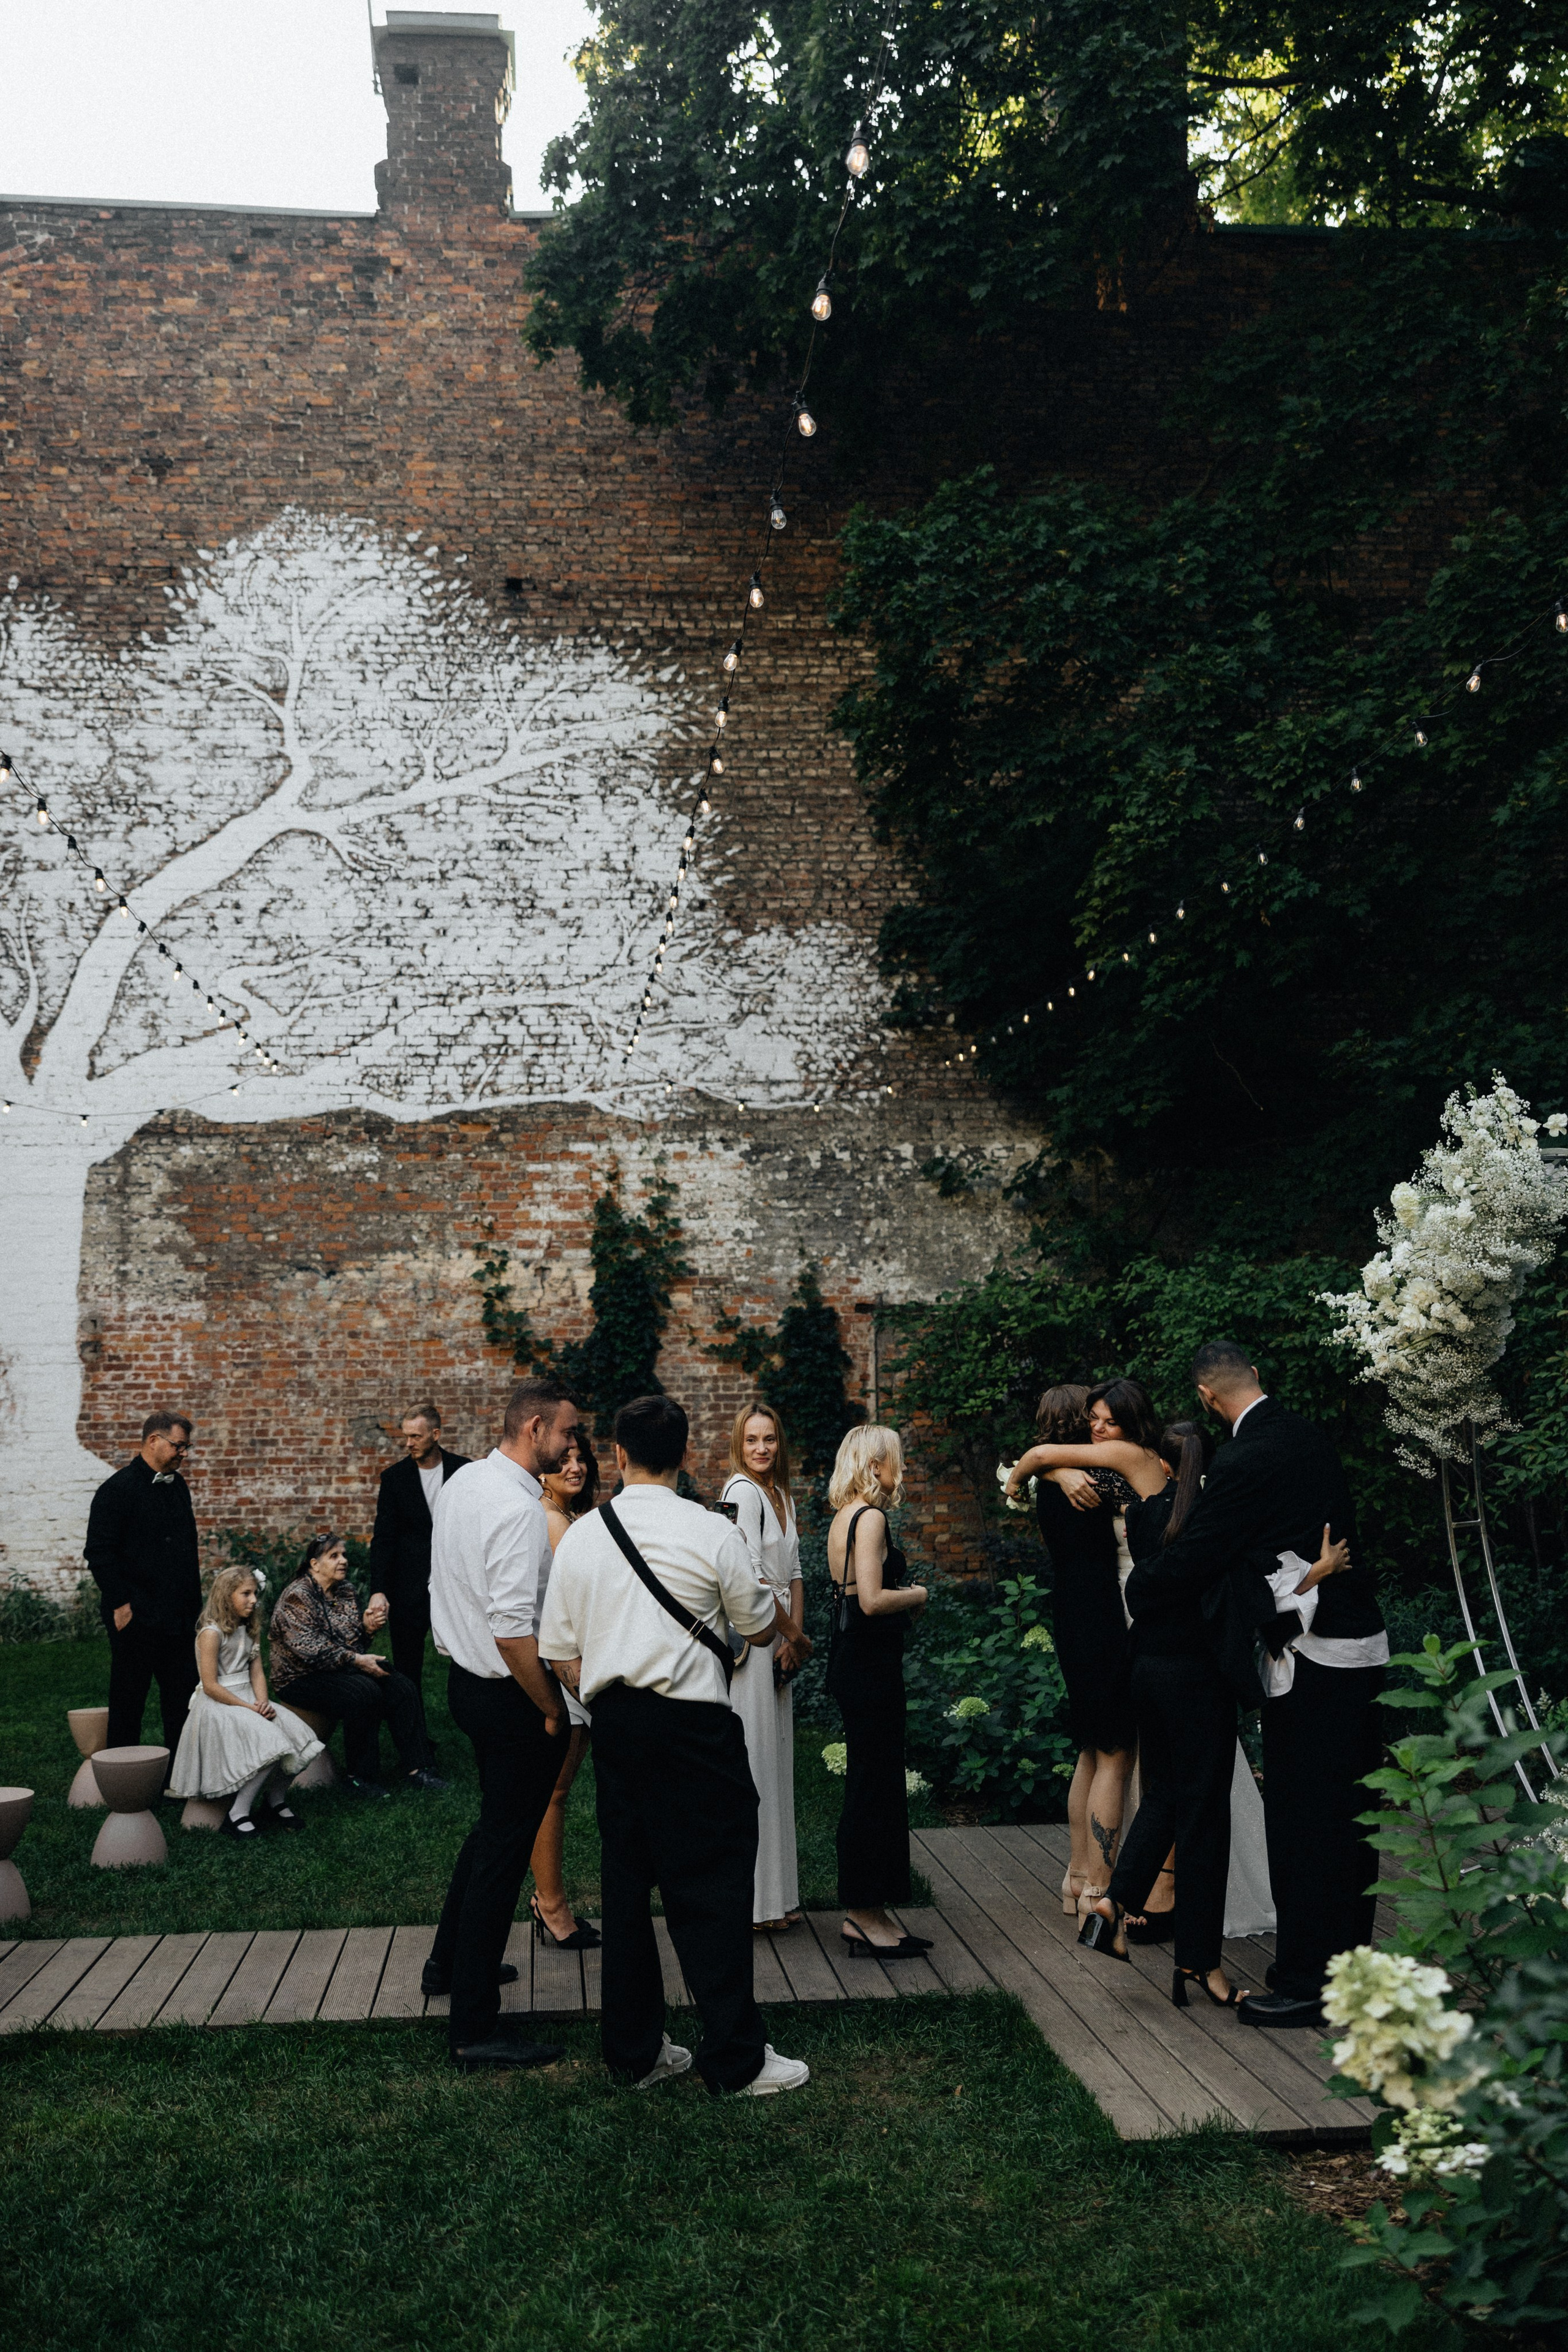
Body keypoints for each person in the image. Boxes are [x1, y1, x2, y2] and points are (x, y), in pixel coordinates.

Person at [541, 1392, 810, 2096]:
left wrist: (606, 1693)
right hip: (695, 1727)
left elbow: (560, 1655)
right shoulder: (712, 1531)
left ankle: (635, 2054)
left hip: (618, 1728)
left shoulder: (582, 1537)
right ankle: (736, 2061)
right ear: (687, 1456)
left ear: (620, 1456)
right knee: (714, 1889)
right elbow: (757, 1630)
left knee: (627, 1893)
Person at [1129, 1341, 1389, 2030]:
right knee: (1351, 1818)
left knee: (1305, 1821)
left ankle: (1308, 1983)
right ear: (1257, 1379)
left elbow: (1198, 1553)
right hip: (1358, 1645)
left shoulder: (1243, 1459)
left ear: (1207, 1399)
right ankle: (1347, 1970)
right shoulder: (1307, 1436)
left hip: (1317, 1656)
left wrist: (1141, 1584)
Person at [1079, 1419, 1351, 2007]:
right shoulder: (1218, 1524)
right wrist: (1318, 1574)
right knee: (1206, 1821)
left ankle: (1114, 1901)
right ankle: (1199, 1964)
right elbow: (1259, 1609)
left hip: (1147, 1672)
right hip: (1197, 1683)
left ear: (1168, 1467)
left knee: (1165, 1798)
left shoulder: (1145, 1517)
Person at [425, 1377, 581, 2071]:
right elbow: (515, 1631)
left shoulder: (462, 1483)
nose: (572, 1445)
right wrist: (551, 1707)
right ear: (536, 1428)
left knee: (493, 1829)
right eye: (567, 1433)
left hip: (465, 1683)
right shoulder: (520, 1511)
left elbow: (439, 1587)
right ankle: (474, 2027)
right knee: (504, 1850)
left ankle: (448, 1967)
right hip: (510, 1693)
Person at [1006, 1384, 1136, 1914]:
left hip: (1070, 1614)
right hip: (1104, 1616)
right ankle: (1098, 1890)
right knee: (1115, 1757)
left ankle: (1074, 1877)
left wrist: (1045, 1469)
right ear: (1081, 1423)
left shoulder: (1045, 1483)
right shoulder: (1099, 1479)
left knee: (1088, 1751)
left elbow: (1023, 1471)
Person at [824, 1425, 933, 1960]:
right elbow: (869, 1600)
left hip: (859, 1664)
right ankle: (864, 1914)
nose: (903, 1470)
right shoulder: (870, 1519)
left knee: (876, 1782)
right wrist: (917, 1593)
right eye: (897, 1460)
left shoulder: (845, 1516)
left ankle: (873, 1910)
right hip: (869, 1667)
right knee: (873, 1787)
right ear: (874, 1466)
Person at [721, 1401, 810, 1931]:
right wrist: (790, 1635)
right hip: (755, 1639)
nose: (761, 1449)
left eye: (770, 1439)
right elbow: (751, 1577)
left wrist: (795, 1638)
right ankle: (752, 1906)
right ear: (740, 1443)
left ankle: (779, 1899)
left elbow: (794, 1571)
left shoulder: (781, 1493)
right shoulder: (740, 1493)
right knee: (753, 1765)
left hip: (781, 1637)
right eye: (752, 1439)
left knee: (778, 1766)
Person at [268, 1536, 445, 1797]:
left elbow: (353, 1644)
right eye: (335, 1556)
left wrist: (367, 1629)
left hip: (338, 1669)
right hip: (299, 1677)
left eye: (344, 1555)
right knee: (362, 1693)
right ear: (314, 1565)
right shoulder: (298, 1596)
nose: (344, 1561)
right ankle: (360, 1778)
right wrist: (357, 1661)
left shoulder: (346, 1591)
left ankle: (419, 1769)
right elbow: (310, 1650)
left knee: (401, 1685)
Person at [85, 1410, 202, 1779]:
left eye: (187, 1447)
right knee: (129, 1699)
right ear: (154, 1440)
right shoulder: (116, 1490)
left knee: (182, 1699)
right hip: (135, 1614)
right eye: (178, 1446)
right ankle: (124, 1780)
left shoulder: (178, 1486)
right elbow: (99, 1553)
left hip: (179, 1617)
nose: (184, 1454)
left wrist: (195, 1609)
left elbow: (187, 1552)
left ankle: (178, 1779)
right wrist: (121, 1604)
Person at [168, 1565, 324, 1836]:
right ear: (226, 1596)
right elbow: (211, 1685)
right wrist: (249, 1709)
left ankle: (274, 1801)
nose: (254, 1600)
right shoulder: (211, 1633)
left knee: (301, 1737)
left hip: (250, 1699)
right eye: (246, 1594)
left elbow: (257, 1671)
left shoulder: (249, 1628)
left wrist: (262, 1703)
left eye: (255, 1593)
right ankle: (237, 1813)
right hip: (220, 1703)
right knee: (272, 1745)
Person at [527, 1426, 601, 1951]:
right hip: (562, 1670)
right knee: (552, 1790)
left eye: (580, 1459)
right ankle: (550, 1904)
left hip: (580, 1664)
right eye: (564, 1459)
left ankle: (549, 1898)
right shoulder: (552, 1520)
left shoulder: (572, 1517)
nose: (574, 1467)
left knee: (561, 1786)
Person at [368, 1401, 470, 1711]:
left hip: (456, 1586)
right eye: (406, 1437)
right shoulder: (395, 1478)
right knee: (407, 1668)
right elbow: (383, 1539)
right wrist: (379, 1589)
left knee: (467, 1660)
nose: (409, 1443)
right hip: (408, 1588)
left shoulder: (464, 1471)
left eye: (416, 1436)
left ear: (436, 1434)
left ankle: (472, 1720)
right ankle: (414, 1742)